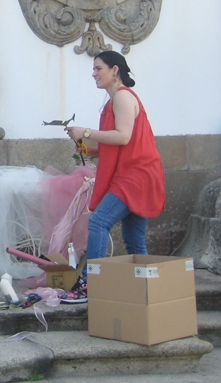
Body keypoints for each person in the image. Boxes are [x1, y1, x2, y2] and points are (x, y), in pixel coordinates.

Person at [63, 50, 165, 303]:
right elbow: (122, 142)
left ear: (115, 70)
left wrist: (85, 132)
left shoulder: (122, 96)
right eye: (94, 69)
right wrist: (91, 150)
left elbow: (123, 136)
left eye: (98, 68)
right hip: (139, 173)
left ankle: (89, 285)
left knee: (99, 222)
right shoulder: (114, 100)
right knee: (134, 241)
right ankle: (149, 294)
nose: (94, 74)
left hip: (135, 175)